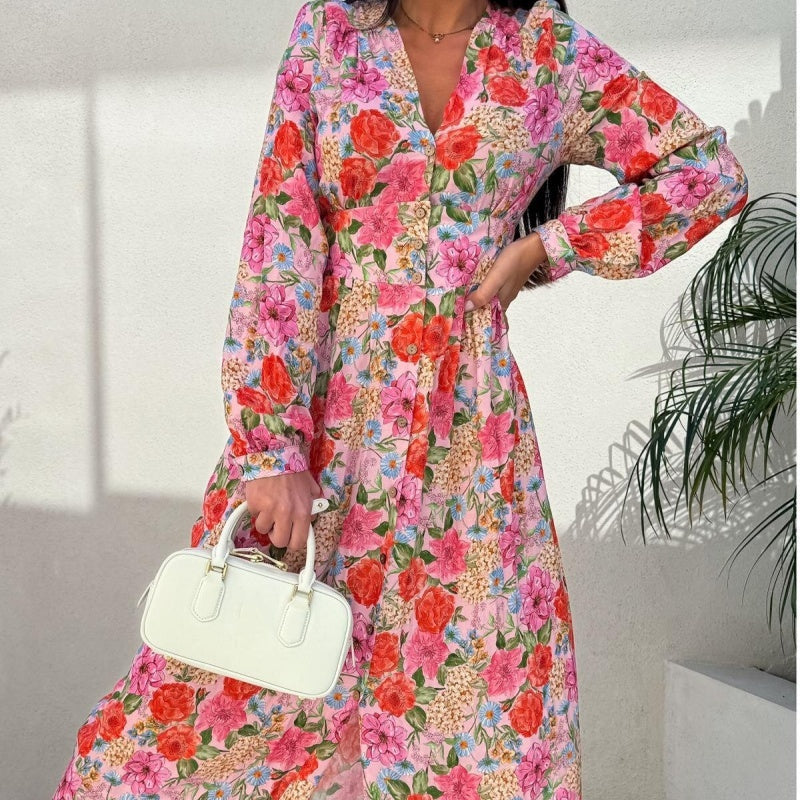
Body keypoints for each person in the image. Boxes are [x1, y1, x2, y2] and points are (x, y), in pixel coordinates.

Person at [52, 0, 748, 798]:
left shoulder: (547, 53)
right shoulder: (330, 35)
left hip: (469, 444)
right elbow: (282, 237)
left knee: (472, 727)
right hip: (329, 425)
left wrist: (547, 246)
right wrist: (269, 447)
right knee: (205, 719)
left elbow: (706, 174)